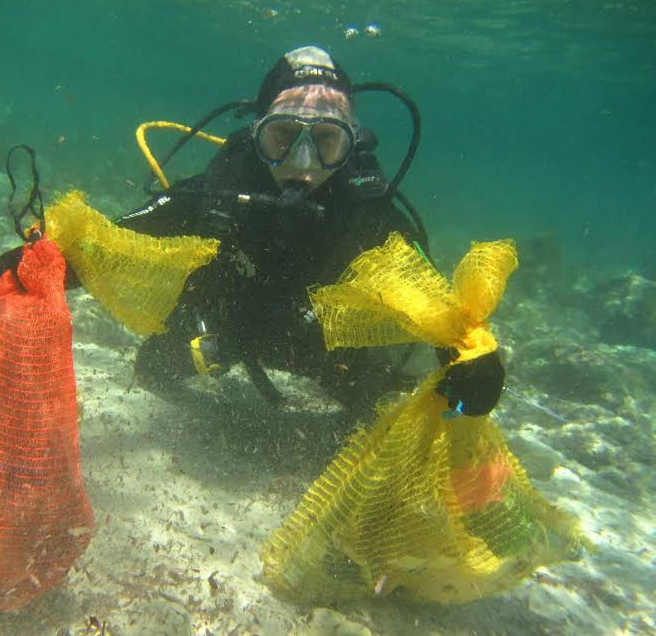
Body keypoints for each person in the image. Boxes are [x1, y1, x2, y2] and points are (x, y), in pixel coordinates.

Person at [115, 46, 505, 417]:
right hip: (222, 332)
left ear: (350, 143)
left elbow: (431, 299)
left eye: (325, 141)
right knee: (153, 367)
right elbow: (109, 242)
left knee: (382, 405)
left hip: (320, 347)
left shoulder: (366, 210)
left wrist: (471, 357)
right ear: (257, 133)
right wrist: (59, 257)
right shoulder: (221, 189)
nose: (303, 164)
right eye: (283, 135)